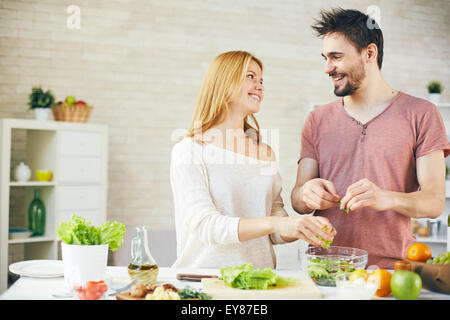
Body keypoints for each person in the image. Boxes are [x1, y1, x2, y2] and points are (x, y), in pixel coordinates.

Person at [291, 8, 450, 269]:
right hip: (324, 269)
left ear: (369, 53)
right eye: (325, 58)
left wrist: (385, 198)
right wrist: (307, 195)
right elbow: (298, 200)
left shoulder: (421, 114)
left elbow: (433, 202)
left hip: (392, 272)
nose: (327, 68)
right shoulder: (317, 119)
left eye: (336, 57)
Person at [170, 51, 336, 269]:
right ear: (223, 81)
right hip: (204, 282)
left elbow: (274, 229)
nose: (260, 86)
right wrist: (275, 223)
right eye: (250, 77)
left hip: (259, 282)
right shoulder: (190, 150)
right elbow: (206, 226)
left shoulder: (264, 153)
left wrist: (303, 226)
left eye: (261, 81)